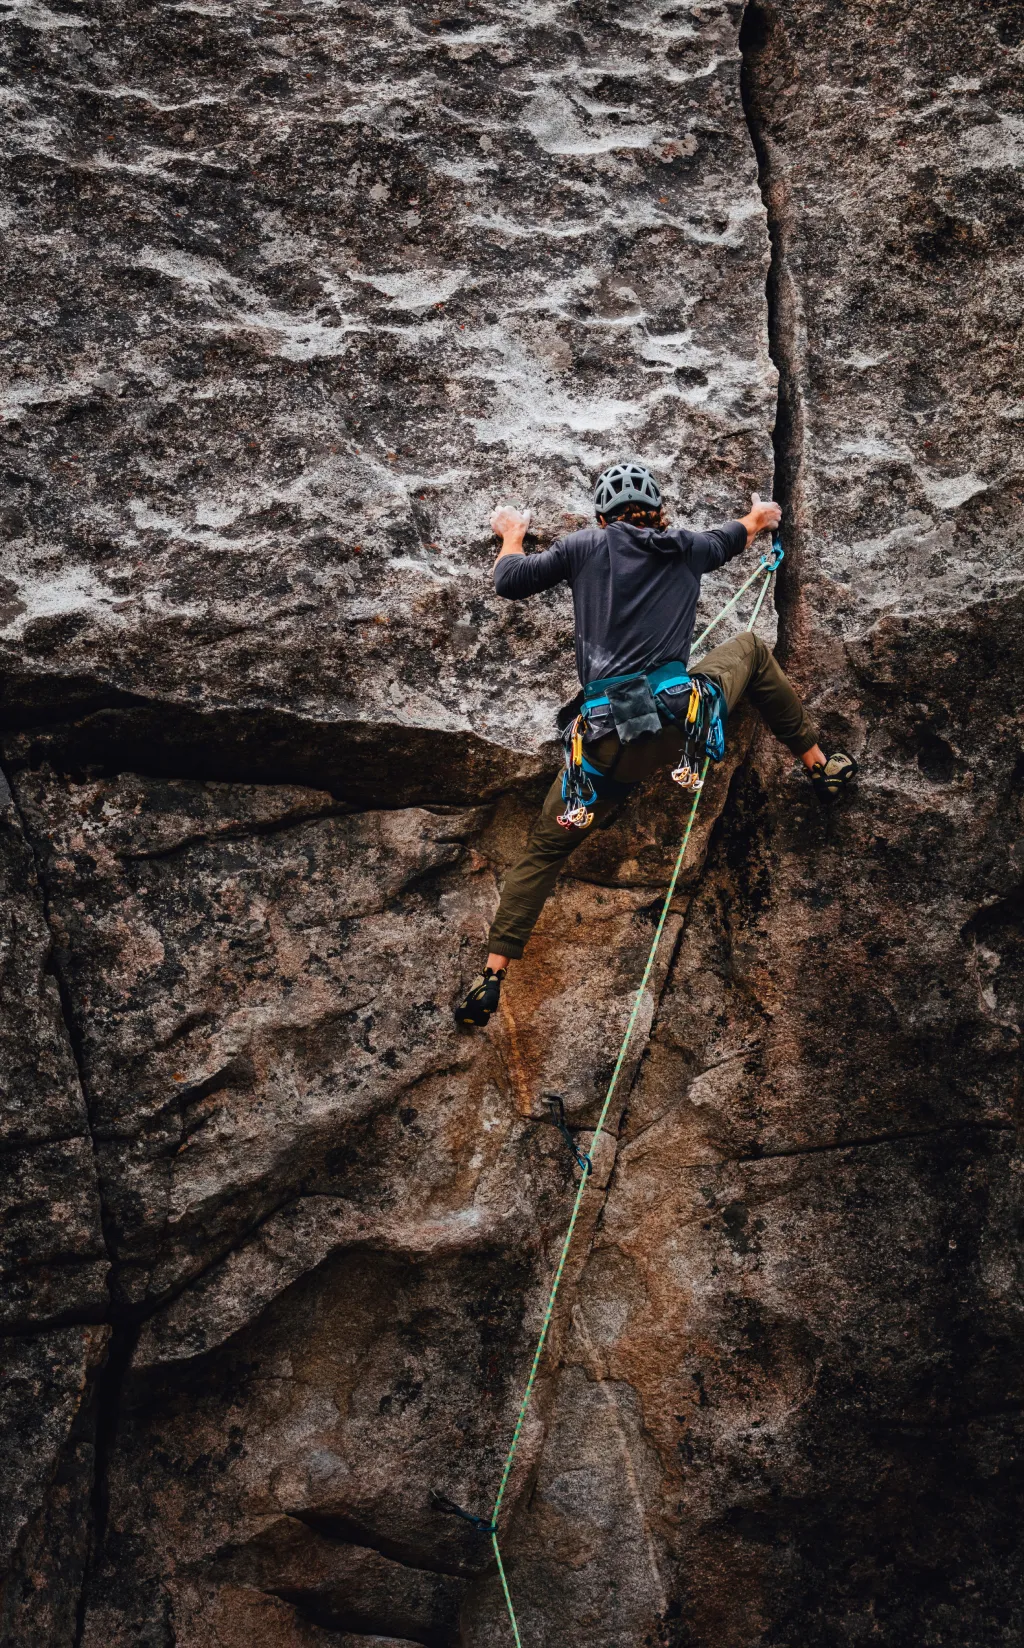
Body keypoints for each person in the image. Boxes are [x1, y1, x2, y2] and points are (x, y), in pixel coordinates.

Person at [455, 461, 857, 1028]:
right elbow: (743, 529)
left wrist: (512, 533)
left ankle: (491, 976)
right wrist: (762, 515)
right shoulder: (688, 547)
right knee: (748, 649)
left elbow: (508, 581)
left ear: (602, 516)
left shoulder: (584, 546)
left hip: (600, 751)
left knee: (544, 850)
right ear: (658, 508)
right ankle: (820, 766)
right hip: (675, 727)